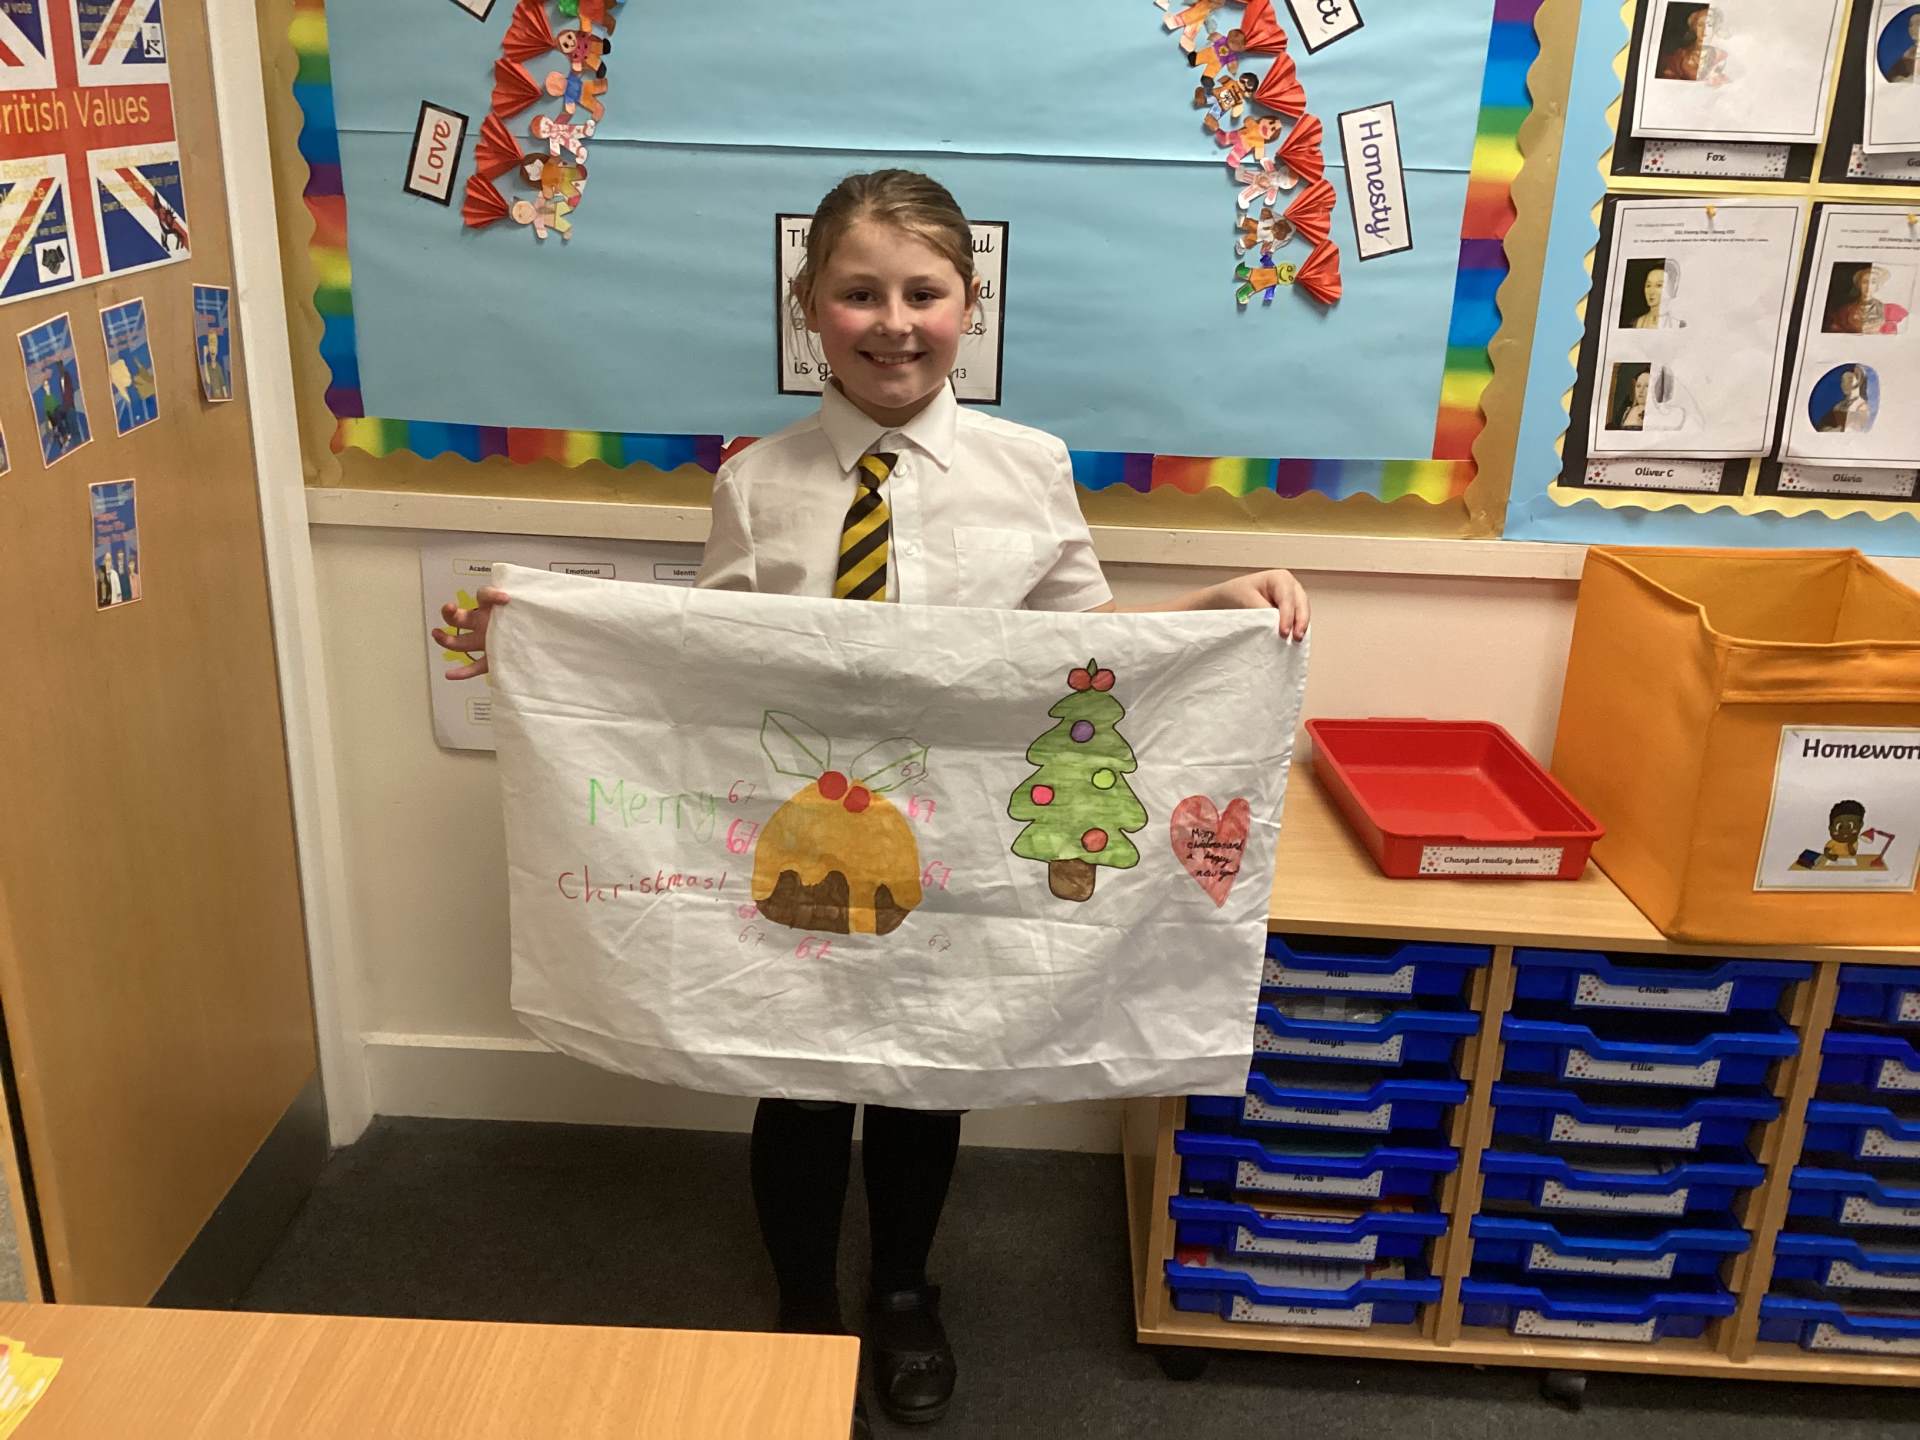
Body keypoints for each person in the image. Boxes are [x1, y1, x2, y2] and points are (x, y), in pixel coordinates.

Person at [430, 169, 1309, 1436]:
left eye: (923, 293)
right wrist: (548, 633)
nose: (893, 323)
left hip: (959, 846)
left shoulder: (1029, 468)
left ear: (970, 306)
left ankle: (903, 1291)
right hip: (804, 835)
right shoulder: (758, 479)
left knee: (925, 1072)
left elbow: (1083, 654)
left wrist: (1211, 613)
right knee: (794, 1074)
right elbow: (708, 662)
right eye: (858, 294)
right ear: (809, 309)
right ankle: (801, 1308)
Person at [1825, 263, 1908, 335]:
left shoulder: (1891, 310)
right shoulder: (1845, 311)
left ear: (1878, 286)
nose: (1868, 286)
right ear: (1859, 285)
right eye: (1865, 282)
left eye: (1873, 282)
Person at [1816, 364, 1873, 432]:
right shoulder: (1838, 406)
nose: (1844, 385)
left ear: (1858, 384)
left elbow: (1853, 429)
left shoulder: (1861, 405)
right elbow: (1823, 426)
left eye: (1850, 380)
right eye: (1842, 382)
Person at [1630, 259, 1682, 329]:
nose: (1651, 291)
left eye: (1659, 285)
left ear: (1672, 288)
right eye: (1648, 285)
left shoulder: (1678, 324)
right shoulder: (1637, 322)